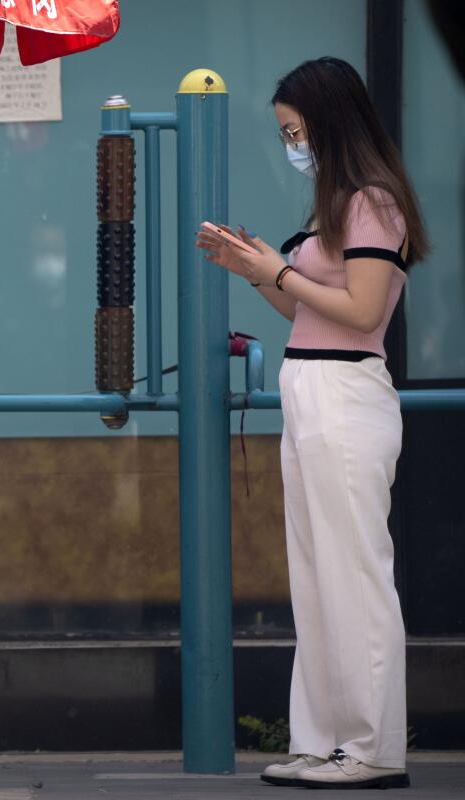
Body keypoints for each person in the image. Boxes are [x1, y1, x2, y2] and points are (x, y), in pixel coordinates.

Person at [196, 57, 428, 790]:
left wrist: (281, 269)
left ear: (329, 121)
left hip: (345, 395)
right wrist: (261, 270)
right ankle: (323, 740)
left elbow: (362, 314)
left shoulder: (374, 202)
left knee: (354, 575)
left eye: (296, 130)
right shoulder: (339, 204)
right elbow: (304, 312)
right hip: (312, 388)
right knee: (316, 576)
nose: (292, 144)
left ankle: (371, 748)